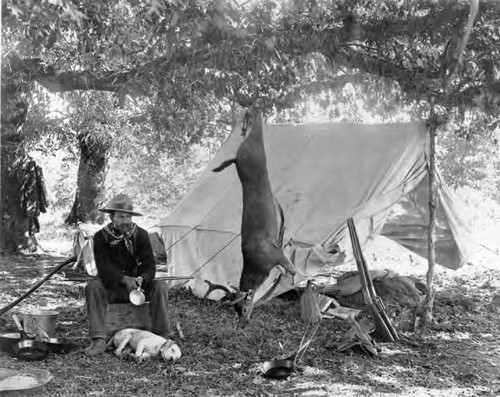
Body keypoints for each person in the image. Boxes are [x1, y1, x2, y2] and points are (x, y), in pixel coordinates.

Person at [84, 193, 171, 356]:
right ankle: (98, 339)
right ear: (112, 217)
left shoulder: (142, 235)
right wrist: (124, 279)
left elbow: (149, 265)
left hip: (138, 289)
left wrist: (142, 278)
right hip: (114, 287)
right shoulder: (100, 237)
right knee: (93, 287)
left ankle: (162, 336)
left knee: (161, 286)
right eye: (121, 216)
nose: (126, 221)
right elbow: (104, 268)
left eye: (128, 216)